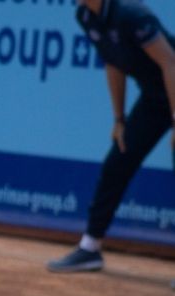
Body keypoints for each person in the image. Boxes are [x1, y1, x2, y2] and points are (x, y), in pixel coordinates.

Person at [48, 0, 175, 273]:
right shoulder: (85, 16)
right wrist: (119, 119)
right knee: (119, 160)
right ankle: (90, 248)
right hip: (155, 99)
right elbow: (113, 63)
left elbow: (170, 62)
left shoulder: (130, 13)